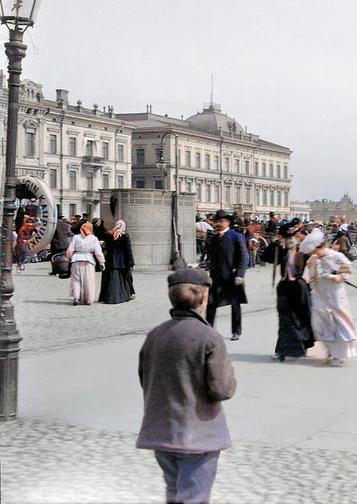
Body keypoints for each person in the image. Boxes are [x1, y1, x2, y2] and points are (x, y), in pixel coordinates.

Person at [136, 268, 236, 504]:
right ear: (203, 297)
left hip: (162, 431)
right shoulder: (208, 337)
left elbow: (144, 378)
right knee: (194, 497)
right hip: (198, 435)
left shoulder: (155, 334)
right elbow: (223, 389)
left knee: (174, 494)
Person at [302, 228, 357, 367]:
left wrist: (334, 276)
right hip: (320, 294)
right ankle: (328, 350)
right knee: (319, 321)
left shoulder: (336, 256)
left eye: (316, 250)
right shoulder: (314, 259)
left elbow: (346, 273)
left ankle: (339, 355)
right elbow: (309, 276)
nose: (315, 253)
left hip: (335, 293)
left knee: (338, 322)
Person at [206, 209, 249, 341]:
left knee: (235, 304)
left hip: (232, 276)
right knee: (210, 303)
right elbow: (210, 257)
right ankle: (208, 330)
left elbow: (244, 257)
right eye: (216, 221)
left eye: (221, 221)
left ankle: (236, 331)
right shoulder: (213, 238)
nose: (218, 224)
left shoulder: (236, 236)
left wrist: (240, 275)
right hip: (216, 276)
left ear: (228, 222)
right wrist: (207, 270)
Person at [273, 226, 314, 362]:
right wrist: (275, 244)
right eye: (288, 237)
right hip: (285, 286)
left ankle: (302, 347)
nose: (291, 240)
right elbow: (267, 257)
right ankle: (283, 350)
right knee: (284, 319)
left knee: (301, 318)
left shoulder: (304, 253)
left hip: (300, 286)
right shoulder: (281, 252)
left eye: (294, 237)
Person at [65, 221, 105, 305]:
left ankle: (76, 297)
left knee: (76, 280)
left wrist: (69, 257)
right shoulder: (93, 238)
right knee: (89, 280)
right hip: (88, 259)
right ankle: (88, 299)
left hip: (76, 259)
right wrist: (102, 262)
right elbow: (98, 252)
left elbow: (70, 249)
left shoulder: (76, 237)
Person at [99, 219, 136, 304]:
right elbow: (128, 249)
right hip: (121, 260)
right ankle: (121, 295)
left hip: (110, 259)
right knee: (123, 278)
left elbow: (106, 247)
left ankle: (106, 296)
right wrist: (131, 261)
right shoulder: (124, 236)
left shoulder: (109, 235)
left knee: (109, 278)